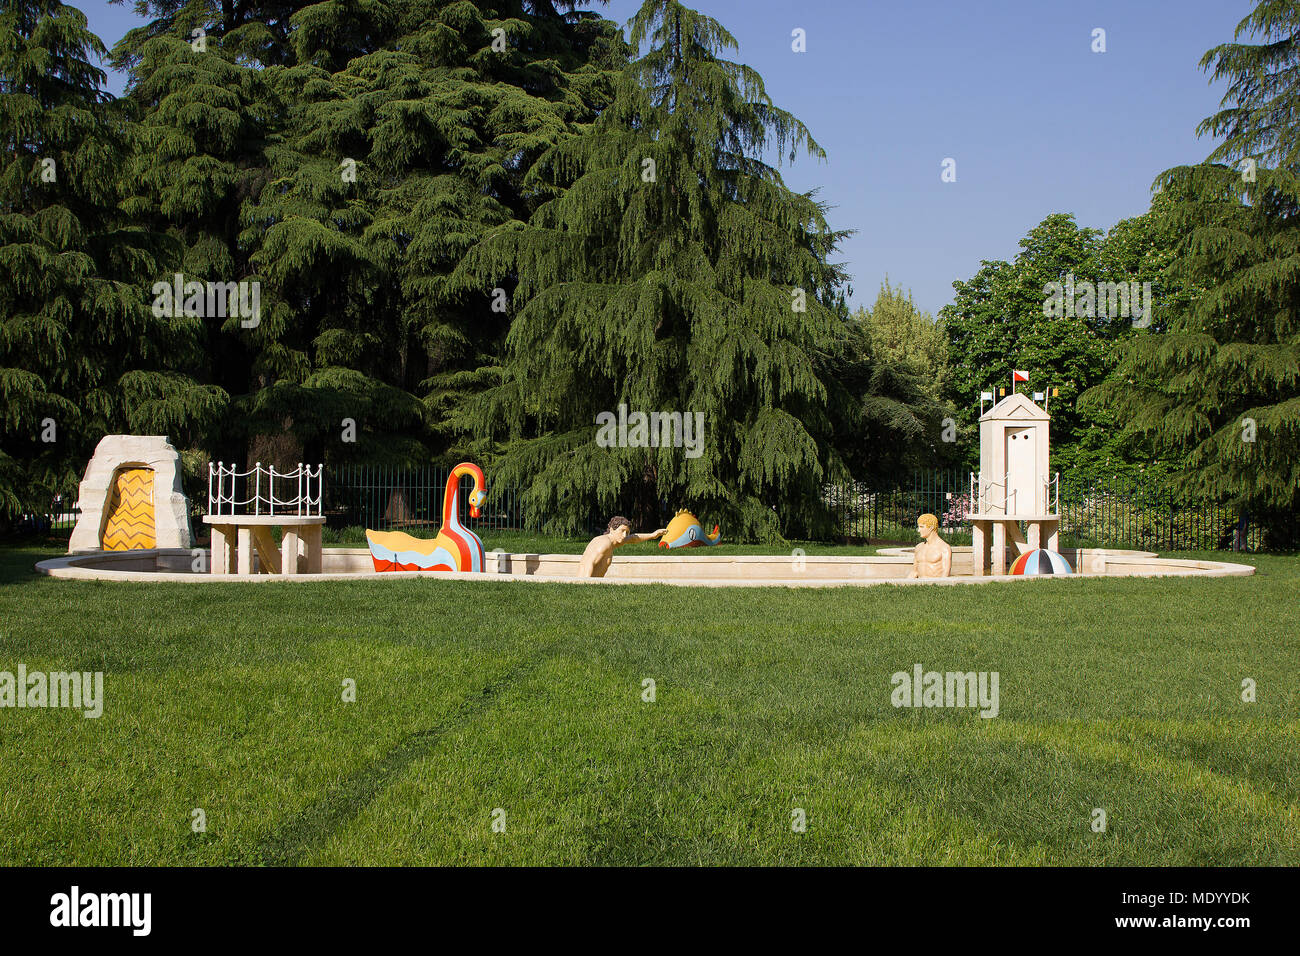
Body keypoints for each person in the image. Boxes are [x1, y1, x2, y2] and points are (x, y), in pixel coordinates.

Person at [577, 516, 666, 578]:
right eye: (622, 531)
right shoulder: (604, 543)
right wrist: (586, 585)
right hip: (586, 583)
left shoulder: (612, 541)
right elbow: (588, 564)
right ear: (612, 529)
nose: (624, 535)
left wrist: (653, 535)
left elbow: (633, 538)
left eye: (627, 532)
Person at [909, 513, 952, 578]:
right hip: (919, 586)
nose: (918, 530)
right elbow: (914, 572)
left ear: (931, 527)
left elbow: (945, 574)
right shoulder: (918, 547)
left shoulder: (944, 548)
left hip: (935, 585)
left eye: (922, 527)